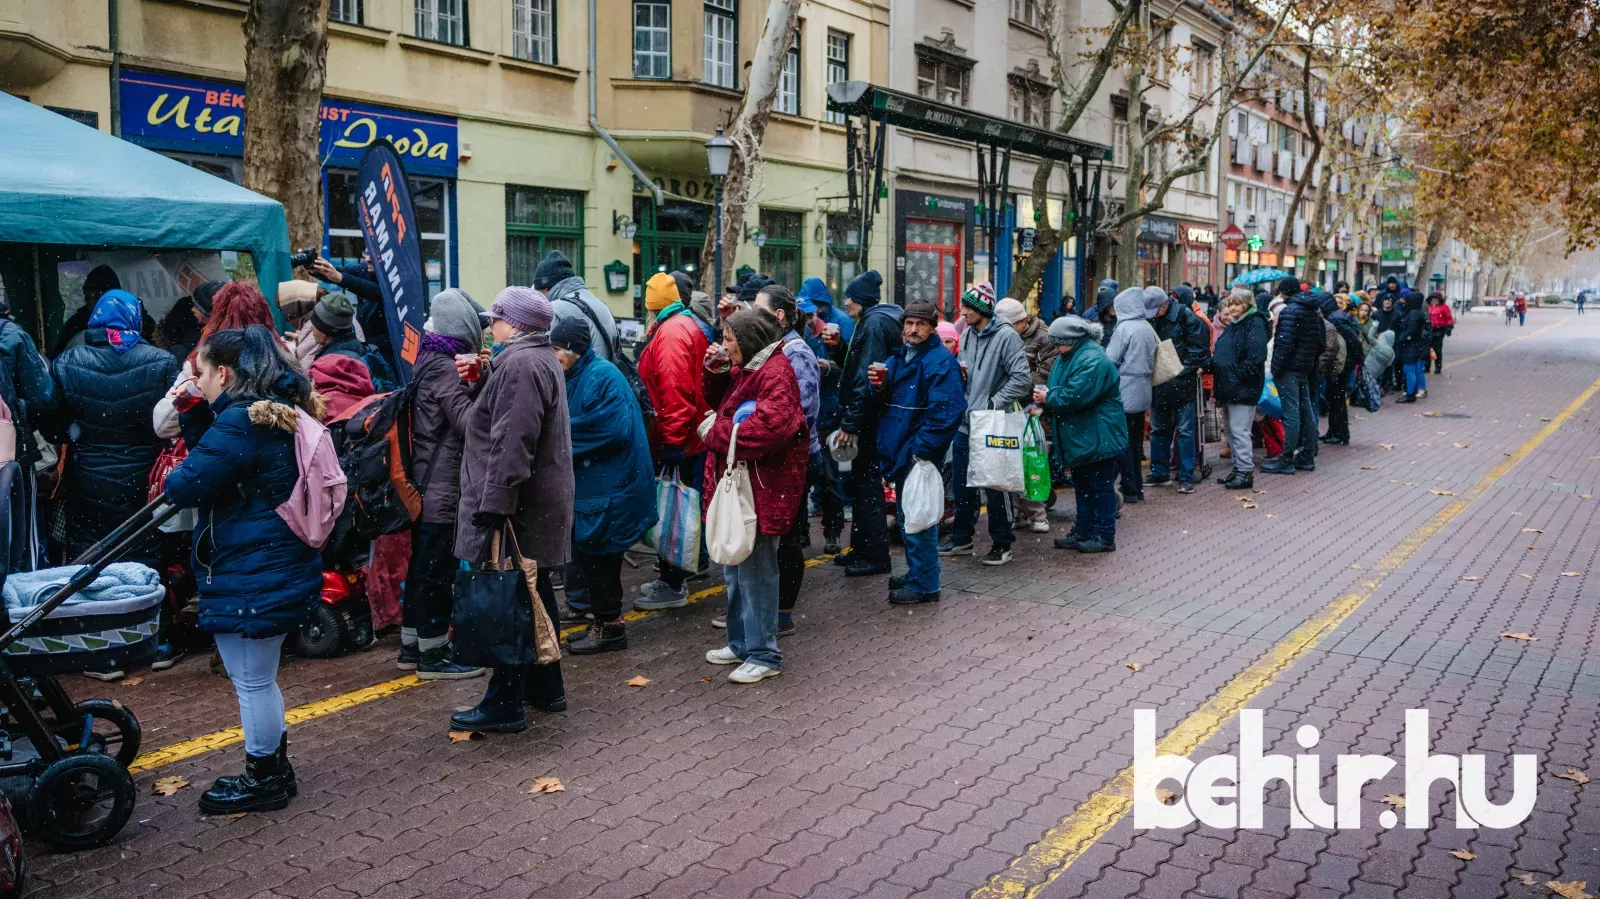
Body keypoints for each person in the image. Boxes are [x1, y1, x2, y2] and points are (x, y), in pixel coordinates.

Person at [161, 325, 323, 814]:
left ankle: (264, 777)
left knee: (251, 679)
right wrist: (192, 412)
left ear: (225, 372)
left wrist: (174, 466)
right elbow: (222, 462)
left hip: (252, 566)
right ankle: (274, 766)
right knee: (260, 677)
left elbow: (188, 484)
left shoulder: (240, 423)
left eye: (203, 372)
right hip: (271, 561)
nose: (200, 380)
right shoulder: (267, 413)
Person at [450, 287, 572, 733]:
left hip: (517, 506)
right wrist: (483, 374)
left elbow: (512, 442)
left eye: (496, 320)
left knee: (511, 598)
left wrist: (495, 505)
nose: (491, 327)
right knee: (532, 591)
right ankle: (546, 685)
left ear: (514, 325)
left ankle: (504, 703)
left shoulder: (521, 364)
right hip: (535, 502)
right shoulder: (534, 357)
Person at [700, 308, 808, 684]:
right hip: (748, 485)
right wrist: (714, 372)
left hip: (762, 488)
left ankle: (764, 653)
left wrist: (714, 433)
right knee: (736, 567)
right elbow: (725, 405)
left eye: (729, 339)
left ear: (747, 340)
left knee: (757, 572)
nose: (724, 346)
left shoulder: (775, 373)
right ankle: (742, 642)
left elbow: (766, 431)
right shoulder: (751, 368)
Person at [548, 317, 656, 655]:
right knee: (592, 558)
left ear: (573, 351)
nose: (552, 356)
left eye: (555, 350)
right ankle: (601, 621)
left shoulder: (602, 375)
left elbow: (610, 429)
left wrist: (553, 433)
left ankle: (611, 629)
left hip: (614, 491)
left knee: (603, 561)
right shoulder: (579, 374)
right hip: (598, 490)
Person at [46, 290, 177, 565]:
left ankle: (96, 607)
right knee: (143, 551)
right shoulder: (161, 362)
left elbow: (54, 429)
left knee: (90, 557)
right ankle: (144, 604)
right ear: (135, 319)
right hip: (144, 479)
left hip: (86, 480)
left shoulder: (67, 362)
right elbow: (173, 424)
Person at [397, 288, 489, 678]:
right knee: (437, 572)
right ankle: (434, 656)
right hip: (441, 491)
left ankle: (412, 646)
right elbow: (470, 423)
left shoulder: (428, 359)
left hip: (424, 484)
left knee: (421, 568)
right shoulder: (446, 369)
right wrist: (486, 384)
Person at [635, 272, 717, 609]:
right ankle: (681, 571)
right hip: (689, 435)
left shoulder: (670, 334)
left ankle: (672, 584)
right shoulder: (684, 325)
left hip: (682, 439)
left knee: (675, 510)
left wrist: (672, 442)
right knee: (683, 508)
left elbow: (675, 392)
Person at [874, 299, 964, 604]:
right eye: (909, 323)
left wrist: (920, 451)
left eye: (920, 324)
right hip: (904, 449)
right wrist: (881, 385)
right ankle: (918, 573)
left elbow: (948, 413)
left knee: (919, 518)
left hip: (916, 452)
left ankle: (925, 583)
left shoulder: (939, 361)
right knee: (908, 515)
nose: (913, 329)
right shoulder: (903, 357)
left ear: (931, 326)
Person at [749, 284, 821, 635]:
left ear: (778, 316)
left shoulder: (797, 353)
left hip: (794, 460)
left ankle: (782, 615)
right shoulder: (769, 347)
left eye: (758, 310)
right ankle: (760, 609)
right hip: (772, 458)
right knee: (770, 535)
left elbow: (802, 413)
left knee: (788, 536)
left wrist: (764, 431)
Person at [947, 282, 1030, 565]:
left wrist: (993, 404)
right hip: (966, 422)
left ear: (982, 309)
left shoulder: (1007, 337)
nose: (963, 312)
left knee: (996, 485)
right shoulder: (968, 333)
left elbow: (1022, 379)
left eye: (968, 307)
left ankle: (1002, 543)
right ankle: (962, 538)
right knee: (963, 484)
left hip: (992, 422)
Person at [829, 271, 901, 577]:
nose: (845, 303)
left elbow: (865, 381)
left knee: (867, 488)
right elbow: (862, 369)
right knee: (863, 487)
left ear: (861, 300)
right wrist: (840, 347)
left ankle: (873, 554)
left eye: (850, 297)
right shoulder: (876, 320)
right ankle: (862, 548)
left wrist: (850, 423)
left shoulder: (872, 324)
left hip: (870, 421)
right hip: (873, 417)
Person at [1037, 315, 1126, 554]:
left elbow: (1075, 395)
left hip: (1097, 434)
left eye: (1059, 343)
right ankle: (1085, 531)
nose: (1056, 348)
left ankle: (1104, 536)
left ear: (1072, 340)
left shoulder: (1092, 359)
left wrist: (1049, 398)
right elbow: (1066, 391)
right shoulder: (1071, 355)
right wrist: (1047, 401)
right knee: (1084, 485)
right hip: (1085, 434)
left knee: (1099, 486)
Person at [794, 287, 846, 555]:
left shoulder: (830, 333)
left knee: (829, 479)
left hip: (826, 417)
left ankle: (834, 532)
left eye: (813, 314)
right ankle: (801, 531)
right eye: (805, 315)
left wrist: (827, 366)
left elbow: (844, 365)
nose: (810, 319)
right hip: (803, 419)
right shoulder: (795, 335)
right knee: (800, 481)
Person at [1146, 285, 1211, 494]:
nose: (1153, 315)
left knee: (1183, 431)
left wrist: (1180, 371)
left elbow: (1199, 350)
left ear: (1164, 304)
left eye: (1156, 310)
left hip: (1180, 384)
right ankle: (1160, 472)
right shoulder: (1157, 316)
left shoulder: (1185, 316)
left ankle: (1185, 475)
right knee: (1160, 430)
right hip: (1162, 383)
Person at [997, 297, 1054, 531]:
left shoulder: (1044, 337)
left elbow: (1044, 376)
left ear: (1021, 322)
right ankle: (1019, 512)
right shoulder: (1005, 335)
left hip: (1033, 409)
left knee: (1030, 460)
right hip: (1013, 406)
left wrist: (1013, 381)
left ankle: (1036, 513)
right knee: (1010, 460)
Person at [1261, 280, 1325, 475]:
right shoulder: (1313, 311)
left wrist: (1277, 368)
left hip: (1289, 369)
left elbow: (1284, 344)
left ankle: (1287, 458)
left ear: (1282, 292)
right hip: (1305, 368)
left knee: (1291, 413)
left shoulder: (1290, 312)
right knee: (1305, 411)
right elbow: (1320, 343)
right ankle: (1306, 456)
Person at [1211, 289, 1269, 489]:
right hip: (1229, 387)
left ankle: (1245, 472)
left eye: (1237, 304)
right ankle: (1237, 469)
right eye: (1231, 304)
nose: (1233, 308)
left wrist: (1235, 377)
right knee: (1231, 431)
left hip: (1242, 388)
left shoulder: (1255, 324)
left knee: (1240, 430)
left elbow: (1255, 358)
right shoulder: (1235, 325)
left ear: (1247, 305)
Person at [1104, 287, 1157, 503]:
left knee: (1121, 442)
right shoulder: (1146, 327)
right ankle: (1135, 486)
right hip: (1143, 388)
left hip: (1124, 389)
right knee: (1135, 443)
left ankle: (1128, 486)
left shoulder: (1124, 328)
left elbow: (1111, 359)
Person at [533, 250, 618, 363]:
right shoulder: (601, 305)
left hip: (578, 379)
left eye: (539, 292)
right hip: (601, 377)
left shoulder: (554, 309)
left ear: (546, 288)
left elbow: (549, 361)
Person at [1321, 293, 1366, 446]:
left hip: (1342, 365)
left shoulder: (1335, 319)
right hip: (1345, 363)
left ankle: (1339, 433)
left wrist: (1356, 360)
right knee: (1336, 399)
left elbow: (1352, 341)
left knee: (1336, 399)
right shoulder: (1339, 316)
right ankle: (1336, 432)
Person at [1395, 291, 1432, 404]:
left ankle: (1410, 394)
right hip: (1417, 346)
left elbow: (1410, 331)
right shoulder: (1419, 313)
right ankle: (1412, 392)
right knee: (1413, 370)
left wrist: (1402, 339)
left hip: (1411, 346)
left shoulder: (1413, 314)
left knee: (1409, 370)